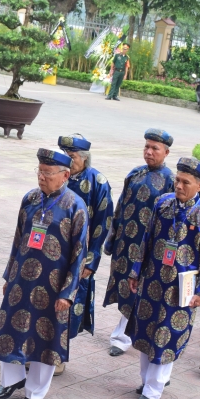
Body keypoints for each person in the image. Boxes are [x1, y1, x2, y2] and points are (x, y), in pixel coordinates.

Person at [0, 149, 88, 399]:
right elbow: (18, 239)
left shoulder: (75, 206)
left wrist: (68, 292)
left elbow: (80, 255)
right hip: (22, 278)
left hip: (53, 285)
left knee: (47, 337)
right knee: (11, 328)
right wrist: (9, 275)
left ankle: (35, 391)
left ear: (65, 175)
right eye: (39, 171)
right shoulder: (30, 199)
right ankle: (11, 380)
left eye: (48, 173)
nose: (42, 177)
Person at [126, 157, 200, 399]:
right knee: (147, 331)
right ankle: (146, 380)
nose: (178, 186)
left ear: (199, 186)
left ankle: (154, 389)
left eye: (185, 182)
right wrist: (136, 272)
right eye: (177, 180)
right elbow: (146, 240)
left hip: (181, 288)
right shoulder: (162, 203)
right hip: (153, 280)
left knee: (167, 335)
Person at [103, 130, 175, 356]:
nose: (149, 151)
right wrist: (112, 238)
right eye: (147, 146)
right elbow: (120, 207)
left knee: (137, 291)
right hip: (125, 244)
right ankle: (128, 333)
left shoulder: (171, 181)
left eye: (155, 148)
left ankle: (123, 337)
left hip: (147, 249)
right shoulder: (135, 174)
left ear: (166, 152)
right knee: (125, 287)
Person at [59, 135, 114, 366]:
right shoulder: (57, 177)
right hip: (54, 253)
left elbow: (104, 223)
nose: (67, 163)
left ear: (84, 158)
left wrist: (91, 261)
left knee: (69, 303)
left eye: (71, 158)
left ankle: (59, 355)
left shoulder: (98, 182)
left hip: (80, 257)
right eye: (65, 156)